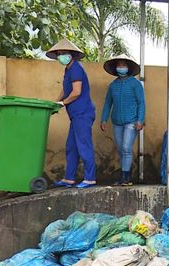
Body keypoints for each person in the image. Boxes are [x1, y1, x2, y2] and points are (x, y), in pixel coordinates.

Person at [46, 39, 97, 188]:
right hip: (76, 116)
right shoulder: (68, 69)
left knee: (84, 145)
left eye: (63, 53)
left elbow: (76, 92)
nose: (61, 56)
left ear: (71, 54)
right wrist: (56, 101)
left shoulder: (76, 69)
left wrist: (63, 103)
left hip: (83, 114)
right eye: (59, 54)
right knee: (71, 147)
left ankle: (90, 178)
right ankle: (69, 178)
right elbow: (66, 89)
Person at [100, 54, 145, 186]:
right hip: (117, 122)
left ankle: (126, 177)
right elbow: (108, 103)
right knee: (120, 149)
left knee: (126, 148)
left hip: (132, 121)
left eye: (123, 65)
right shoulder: (113, 85)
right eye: (119, 65)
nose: (121, 67)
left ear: (128, 68)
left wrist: (140, 120)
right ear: (115, 68)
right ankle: (124, 176)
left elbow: (141, 103)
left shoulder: (135, 84)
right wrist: (104, 119)